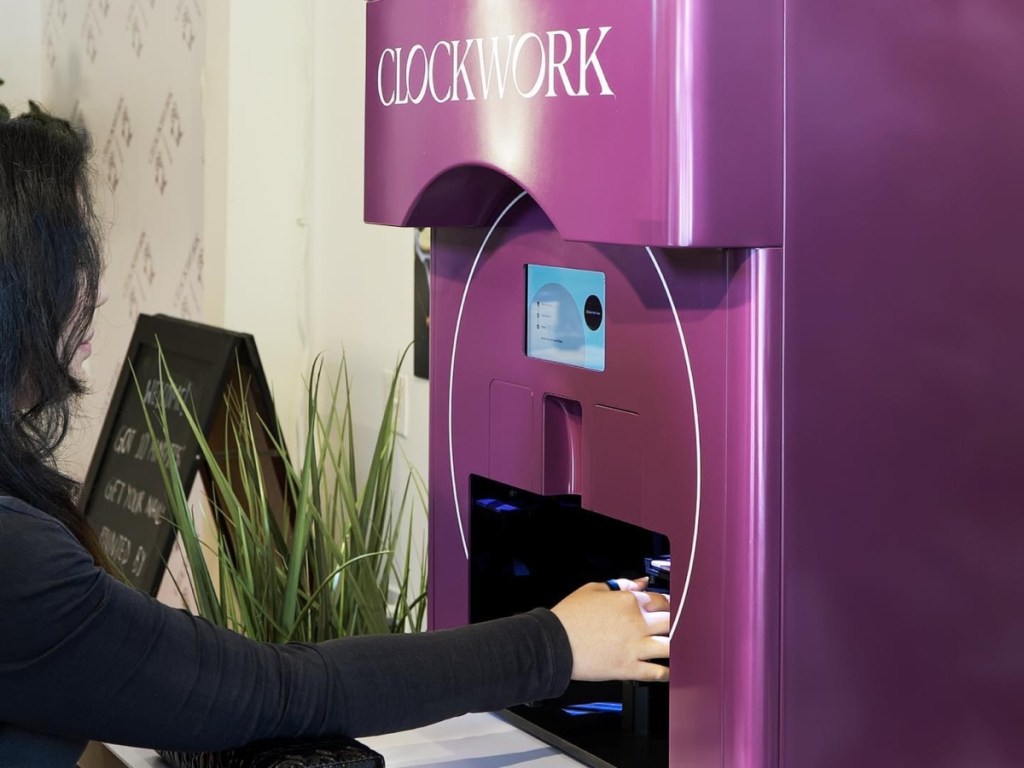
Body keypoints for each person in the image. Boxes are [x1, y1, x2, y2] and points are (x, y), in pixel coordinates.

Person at [0, 103, 670, 766]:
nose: (98, 291)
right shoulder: (22, 565)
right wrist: (554, 644)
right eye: (69, 264)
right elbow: (275, 691)